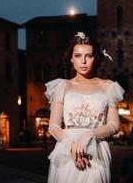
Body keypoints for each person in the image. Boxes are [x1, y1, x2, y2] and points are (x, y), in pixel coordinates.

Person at [44, 32, 125, 183]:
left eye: (89, 55)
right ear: (71, 59)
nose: (83, 61)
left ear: (95, 58)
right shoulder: (62, 86)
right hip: (67, 152)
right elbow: (54, 126)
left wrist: (89, 135)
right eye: (78, 55)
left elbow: (114, 125)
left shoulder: (109, 86)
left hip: (96, 152)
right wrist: (71, 146)